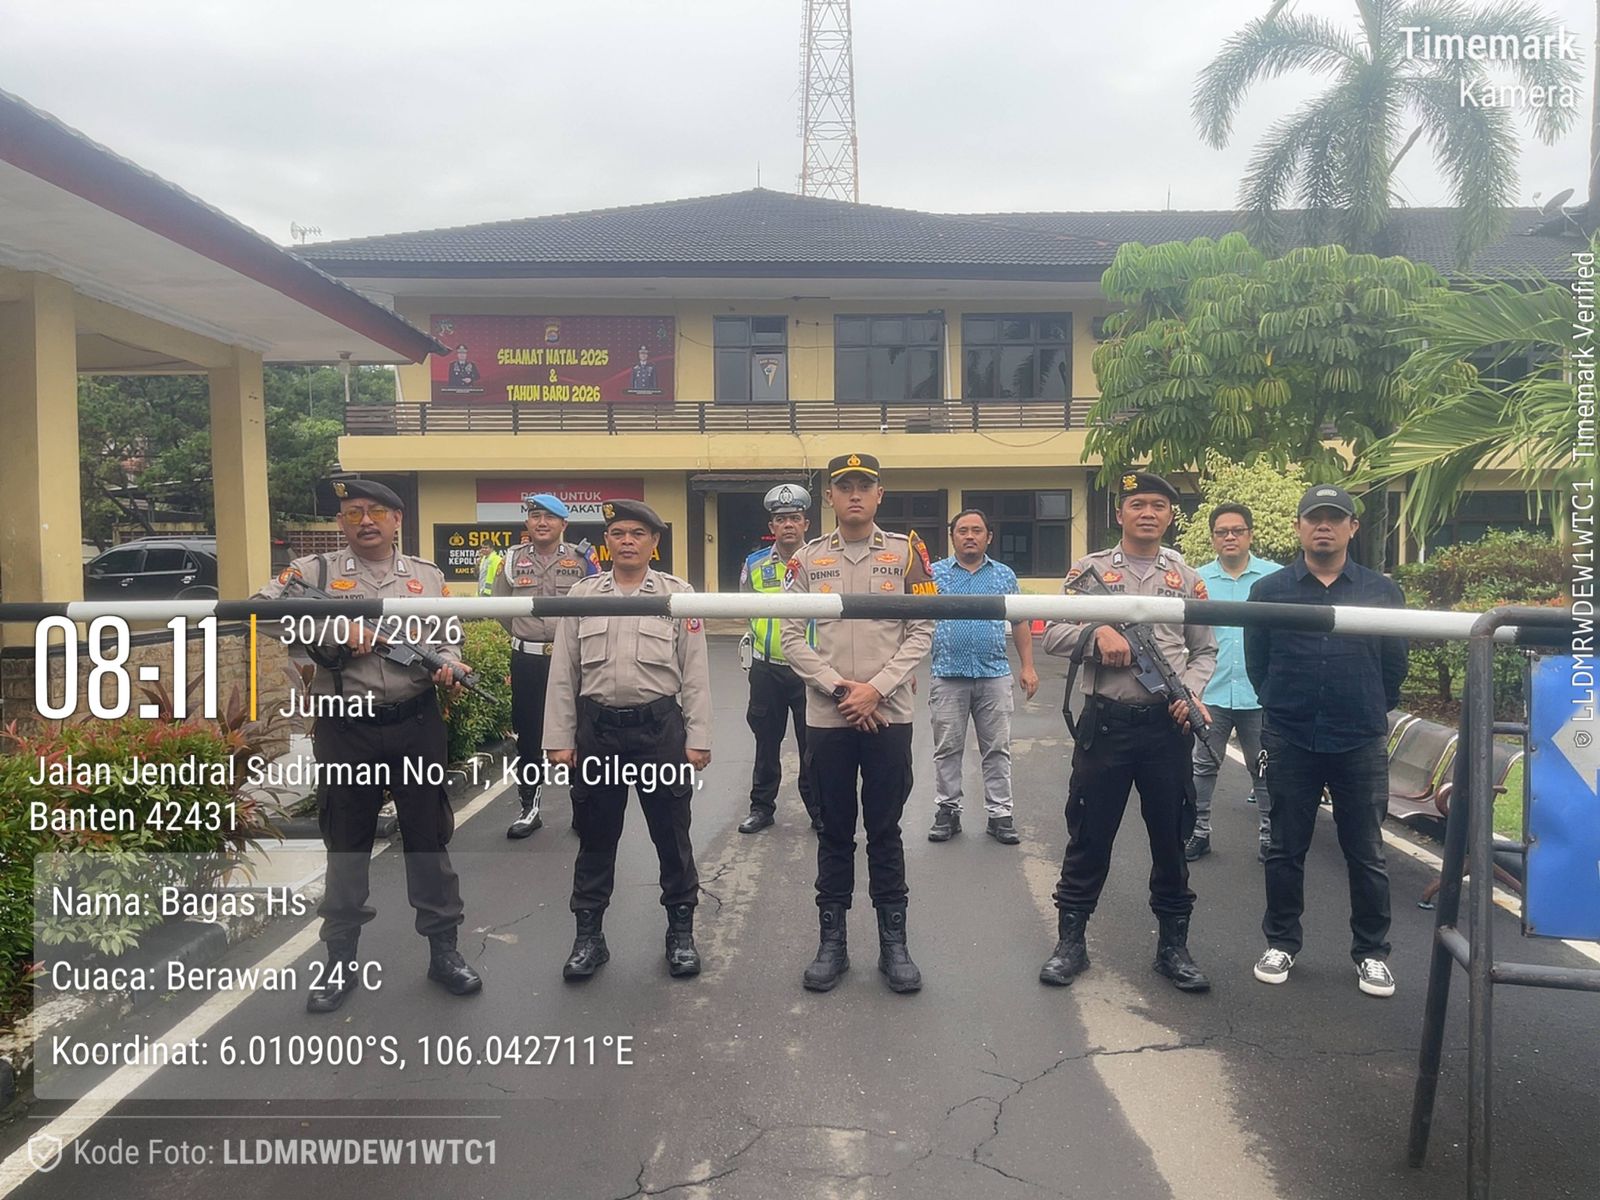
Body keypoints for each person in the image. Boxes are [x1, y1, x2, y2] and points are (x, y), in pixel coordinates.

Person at [256, 477, 482, 1013]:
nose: (365, 521)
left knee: (428, 839)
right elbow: (262, 613)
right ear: (341, 521)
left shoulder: (426, 576)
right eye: (354, 512)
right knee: (347, 843)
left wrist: (450, 664)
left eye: (377, 512)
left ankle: (444, 951)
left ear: (397, 519)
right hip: (346, 726)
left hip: (416, 722)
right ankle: (339, 960)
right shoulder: (315, 572)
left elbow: (449, 637)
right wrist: (335, 632)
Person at [1037, 471, 1216, 993]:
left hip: (1167, 728)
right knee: (1089, 836)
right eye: (1138, 504)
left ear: (1170, 515)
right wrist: (1097, 634)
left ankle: (1173, 948)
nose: (1148, 513)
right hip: (1107, 725)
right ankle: (1071, 943)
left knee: (1171, 839)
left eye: (1158, 505)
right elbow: (1053, 633)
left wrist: (1192, 694)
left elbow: (1204, 649)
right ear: (1120, 514)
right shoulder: (1089, 570)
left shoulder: (1186, 578)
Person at [781, 453, 936, 994]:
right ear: (829, 496)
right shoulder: (806, 559)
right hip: (830, 715)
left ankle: (895, 945)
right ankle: (833, 944)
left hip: (888, 712)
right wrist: (840, 689)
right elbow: (790, 635)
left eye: (863, 486)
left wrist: (877, 689)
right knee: (834, 830)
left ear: (878, 495)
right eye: (843, 486)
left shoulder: (907, 554)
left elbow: (923, 627)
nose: (853, 494)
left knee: (886, 829)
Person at [1246, 484, 1408, 998]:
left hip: (1359, 739)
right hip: (1290, 736)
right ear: (1298, 527)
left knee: (1366, 852)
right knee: (1284, 849)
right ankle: (1281, 943)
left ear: (1352, 528)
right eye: (1314, 517)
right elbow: (1257, 663)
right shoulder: (1269, 591)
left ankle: (1372, 954)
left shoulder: (1381, 591)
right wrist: (1280, 702)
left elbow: (1394, 665)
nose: (1324, 526)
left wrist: (1367, 705)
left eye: (1335, 518)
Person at [544, 499, 711, 981]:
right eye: (618, 533)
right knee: (596, 838)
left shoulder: (678, 595)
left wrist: (698, 736)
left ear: (654, 542)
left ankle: (680, 934)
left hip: (659, 730)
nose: (628, 542)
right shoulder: (583, 594)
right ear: (607, 542)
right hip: (598, 732)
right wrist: (559, 736)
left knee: (671, 837)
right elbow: (564, 671)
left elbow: (695, 673)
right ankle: (589, 939)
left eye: (638, 534)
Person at [926, 508, 1039, 846]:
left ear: (989, 537)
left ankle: (1000, 815)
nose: (970, 536)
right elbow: (915, 621)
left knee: (997, 749)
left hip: (994, 674)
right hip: (947, 674)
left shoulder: (1004, 575)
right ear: (952, 536)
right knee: (947, 748)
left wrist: (1028, 666)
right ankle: (948, 811)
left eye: (977, 530)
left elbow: (1020, 621)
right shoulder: (934, 575)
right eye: (963, 530)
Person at [492, 493, 599, 838]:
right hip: (528, 659)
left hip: (571, 660)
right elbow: (500, 608)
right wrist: (526, 636)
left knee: (580, 732)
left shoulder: (582, 559)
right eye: (536, 516)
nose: (542, 523)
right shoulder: (511, 560)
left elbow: (598, 604)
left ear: (563, 524)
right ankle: (530, 807)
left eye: (550, 517)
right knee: (529, 734)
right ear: (527, 522)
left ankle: (583, 807)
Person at [1187, 503, 1282, 864]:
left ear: (1250, 535)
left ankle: (1270, 838)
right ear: (1213, 538)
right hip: (1210, 692)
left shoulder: (1274, 578)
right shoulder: (1196, 580)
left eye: (1237, 530)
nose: (1230, 537)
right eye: (1222, 531)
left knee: (1264, 768)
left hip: (1260, 694)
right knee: (1203, 766)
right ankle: (1198, 833)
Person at [737, 484, 821, 834]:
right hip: (766, 669)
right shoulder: (754, 564)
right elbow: (745, 607)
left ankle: (819, 810)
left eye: (795, 518)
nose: (788, 524)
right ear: (772, 526)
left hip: (810, 672)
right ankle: (761, 808)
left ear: (806, 524)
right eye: (781, 519)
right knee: (765, 742)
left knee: (813, 746)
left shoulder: (821, 562)